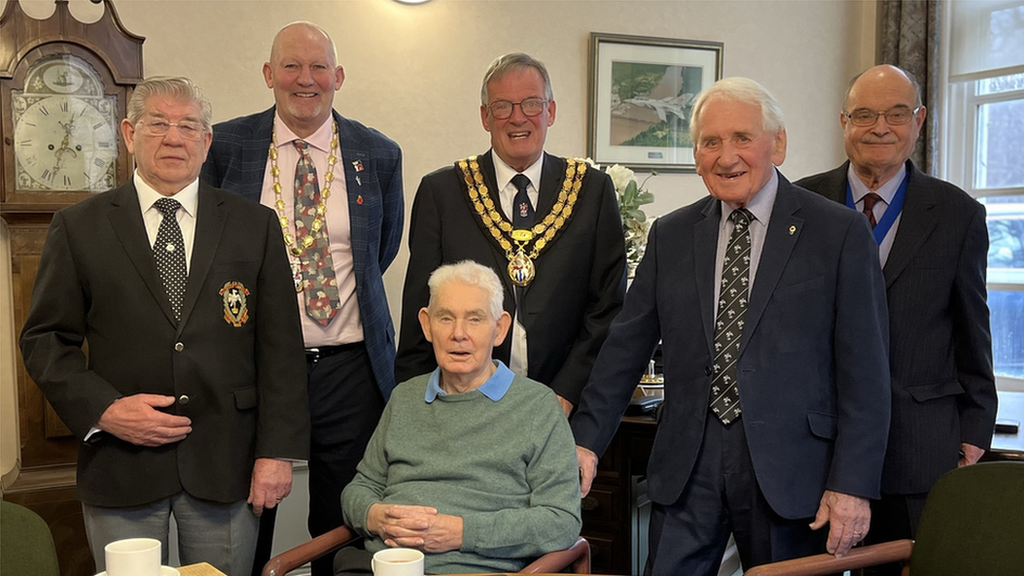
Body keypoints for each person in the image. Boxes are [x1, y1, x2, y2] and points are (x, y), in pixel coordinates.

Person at [571, 77, 892, 576]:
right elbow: (624, 348)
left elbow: (866, 371)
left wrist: (852, 483)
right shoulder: (672, 234)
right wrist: (586, 440)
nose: (726, 156)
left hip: (792, 474)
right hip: (687, 467)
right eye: (710, 141)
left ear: (778, 144)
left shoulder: (838, 232)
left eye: (743, 138)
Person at [19, 76, 309, 576]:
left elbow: (281, 350)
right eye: (158, 124)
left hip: (226, 464)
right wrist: (104, 410)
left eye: (188, 126)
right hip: (121, 463)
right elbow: (46, 341)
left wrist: (277, 453)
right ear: (130, 133)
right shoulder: (80, 227)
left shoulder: (254, 226)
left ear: (206, 140)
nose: (174, 137)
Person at [200, 22, 403, 575]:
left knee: (344, 519)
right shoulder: (226, 147)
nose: (305, 79)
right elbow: (214, 259)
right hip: (256, 367)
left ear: (338, 77)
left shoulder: (378, 153)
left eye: (319, 68)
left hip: (350, 369)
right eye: (291, 66)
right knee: (250, 506)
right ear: (269, 75)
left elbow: (377, 254)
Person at [795, 64, 996, 572]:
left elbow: (974, 330)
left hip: (918, 450)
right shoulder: (799, 204)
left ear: (919, 120)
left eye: (896, 113)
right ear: (843, 122)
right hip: (812, 449)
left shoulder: (958, 214)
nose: (879, 127)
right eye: (864, 114)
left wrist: (975, 430)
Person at [395, 52, 626, 417]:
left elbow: (607, 309)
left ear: (550, 111)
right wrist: (420, 413)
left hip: (565, 406)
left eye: (531, 104)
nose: (518, 118)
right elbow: (419, 315)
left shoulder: (591, 191)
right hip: (463, 408)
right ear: (486, 117)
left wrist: (566, 395)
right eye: (502, 106)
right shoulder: (443, 192)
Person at [340, 260, 581, 575]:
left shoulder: (538, 406)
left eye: (475, 319)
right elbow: (360, 488)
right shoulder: (404, 398)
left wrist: (463, 532)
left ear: (500, 328)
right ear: (427, 325)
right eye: (445, 318)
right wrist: (374, 515)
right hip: (383, 566)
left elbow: (560, 522)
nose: (459, 334)